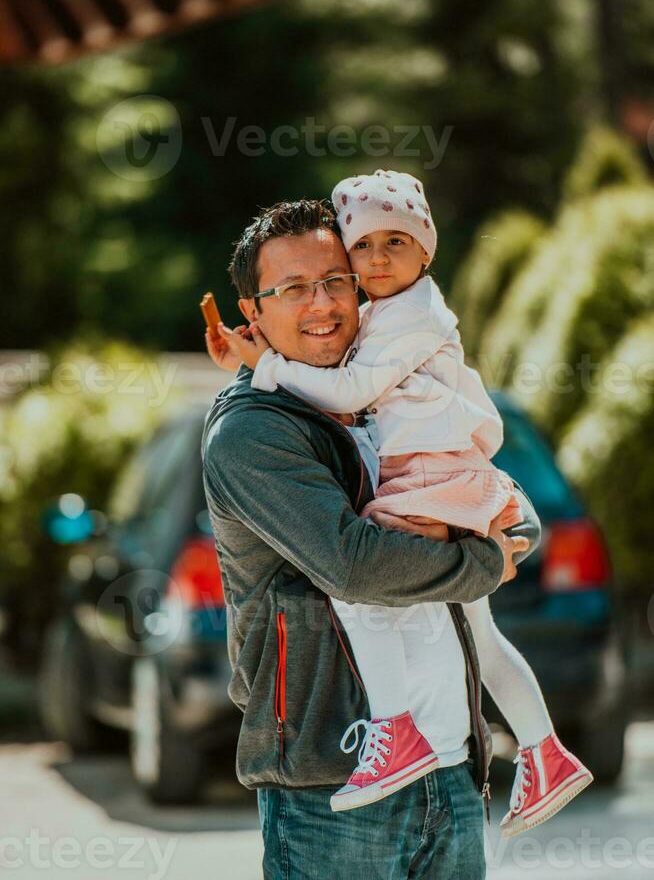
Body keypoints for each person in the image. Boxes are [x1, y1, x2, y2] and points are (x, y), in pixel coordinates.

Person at [216, 172, 592, 840]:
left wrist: (493, 531)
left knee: (485, 636)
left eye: (336, 280)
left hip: (452, 768)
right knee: (375, 597)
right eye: (294, 289)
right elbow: (357, 566)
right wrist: (479, 557)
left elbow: (510, 510)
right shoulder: (257, 429)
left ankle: (542, 753)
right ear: (254, 311)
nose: (324, 301)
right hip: (333, 777)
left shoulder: (384, 376)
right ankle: (463, 739)